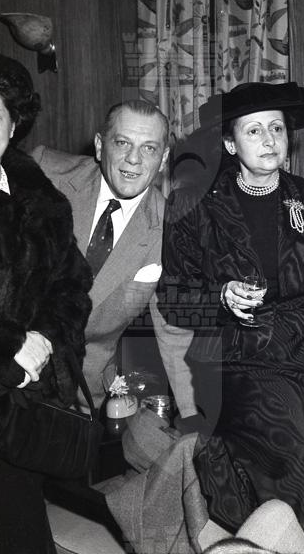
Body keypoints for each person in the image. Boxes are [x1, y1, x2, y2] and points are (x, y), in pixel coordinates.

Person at [158, 81, 304, 553]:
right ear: (230, 144)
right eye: (254, 130)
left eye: (277, 129)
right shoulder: (193, 204)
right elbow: (172, 297)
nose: (269, 140)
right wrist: (221, 296)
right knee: (294, 452)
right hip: (236, 357)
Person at [0, 53, 93, 553]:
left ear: (13, 124)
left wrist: (44, 343)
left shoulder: (41, 198)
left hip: (20, 402)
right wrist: (8, 347)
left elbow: (71, 285)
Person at [28, 101, 195, 414]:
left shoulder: (170, 228)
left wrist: (193, 417)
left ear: (163, 159)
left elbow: (174, 330)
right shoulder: (44, 171)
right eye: (122, 143)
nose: (134, 159)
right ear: (99, 145)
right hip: (5, 365)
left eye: (149, 148)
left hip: (80, 395)